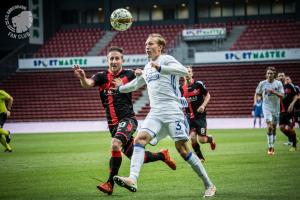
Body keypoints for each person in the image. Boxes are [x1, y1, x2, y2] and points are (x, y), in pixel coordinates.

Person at [112, 33, 216, 197]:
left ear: (160, 47)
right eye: (146, 43)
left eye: (151, 43)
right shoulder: (147, 67)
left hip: (173, 111)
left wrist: (161, 68)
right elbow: (136, 84)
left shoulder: (166, 59)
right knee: (139, 139)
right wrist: (119, 89)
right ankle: (132, 179)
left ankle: (209, 185)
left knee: (182, 150)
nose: (147, 46)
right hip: (155, 112)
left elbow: (183, 71)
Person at [73, 46, 176, 195]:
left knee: (115, 144)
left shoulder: (128, 74)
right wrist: (82, 77)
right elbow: (88, 84)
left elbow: (143, 74)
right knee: (138, 156)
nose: (114, 61)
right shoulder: (101, 77)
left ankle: (109, 183)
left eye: (117, 58)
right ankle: (162, 155)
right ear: (107, 61)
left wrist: (141, 73)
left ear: (122, 60)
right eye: (111, 59)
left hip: (128, 120)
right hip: (113, 125)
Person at [179, 66, 216, 162]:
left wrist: (203, 106)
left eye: (189, 72)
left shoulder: (198, 84)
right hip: (189, 118)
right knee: (192, 138)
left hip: (200, 117)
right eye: (186, 72)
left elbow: (207, 95)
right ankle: (200, 157)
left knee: (202, 140)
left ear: (192, 73)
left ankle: (211, 139)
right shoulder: (181, 88)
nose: (187, 74)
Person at [255, 66, 284, 155]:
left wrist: (273, 92)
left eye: (271, 73)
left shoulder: (278, 83)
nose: (269, 75)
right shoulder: (262, 83)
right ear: (266, 74)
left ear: (274, 74)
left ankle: (273, 145)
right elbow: (258, 93)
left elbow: (282, 95)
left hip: (276, 108)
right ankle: (270, 147)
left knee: (274, 128)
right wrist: (257, 100)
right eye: (268, 73)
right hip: (266, 106)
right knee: (269, 126)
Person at [277, 73, 298, 151]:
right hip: (281, 111)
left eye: (282, 75)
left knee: (290, 128)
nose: (281, 77)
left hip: (290, 111)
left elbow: (296, 96)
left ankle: (294, 145)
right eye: (279, 76)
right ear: (277, 78)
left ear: (284, 77)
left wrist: (292, 104)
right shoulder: (277, 87)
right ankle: (293, 138)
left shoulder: (289, 86)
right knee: (282, 128)